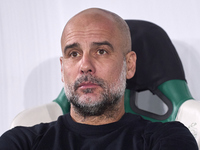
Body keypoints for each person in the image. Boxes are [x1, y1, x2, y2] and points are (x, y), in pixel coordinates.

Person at [0, 8, 198, 150]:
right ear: (62, 69)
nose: (85, 65)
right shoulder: (22, 141)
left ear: (129, 65)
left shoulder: (167, 139)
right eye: (74, 54)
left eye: (101, 51)